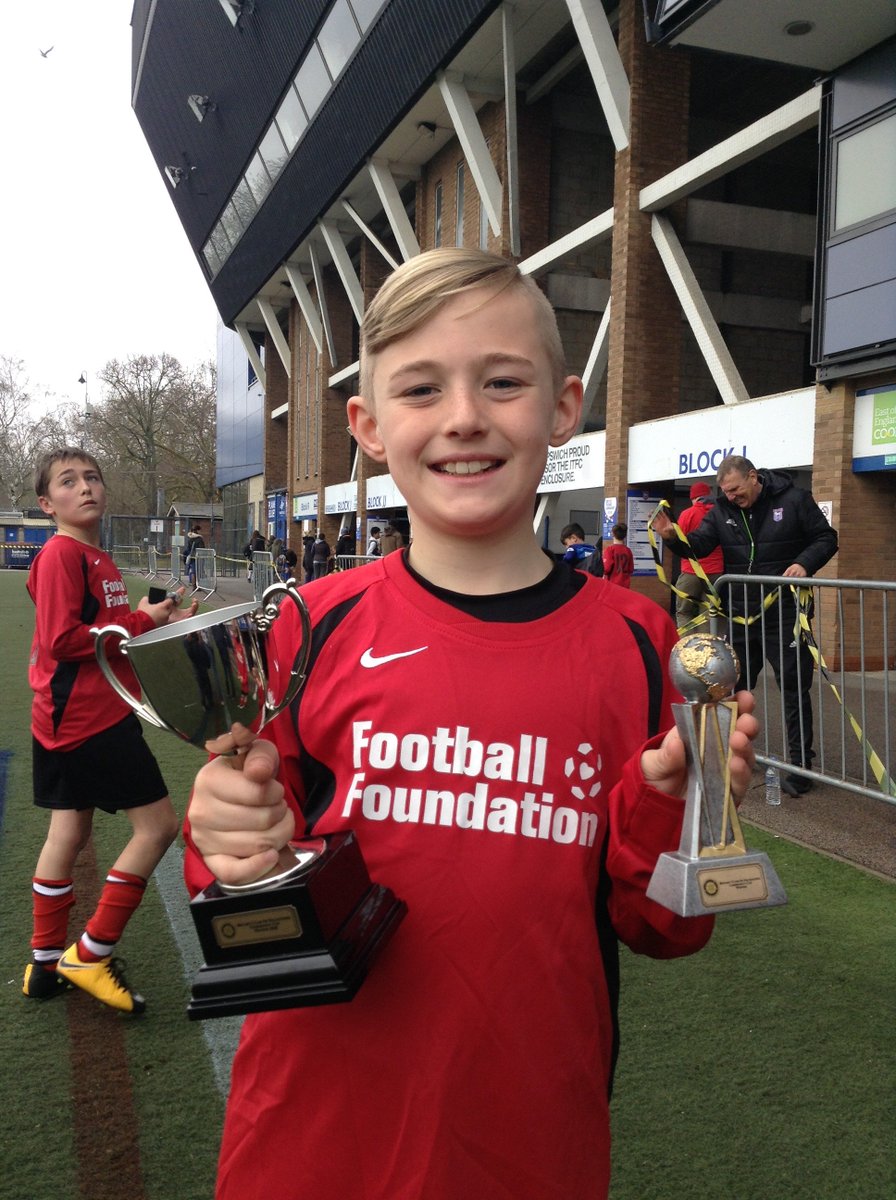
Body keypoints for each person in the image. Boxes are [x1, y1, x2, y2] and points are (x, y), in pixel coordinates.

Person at [184, 248, 757, 1200]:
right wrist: (225, 843)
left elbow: (664, 926)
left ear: (563, 409)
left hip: (529, 1145)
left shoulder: (640, 643)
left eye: (502, 382)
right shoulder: (305, 627)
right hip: (310, 1146)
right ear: (368, 427)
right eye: (421, 388)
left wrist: (674, 804)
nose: (463, 417)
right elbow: (235, 886)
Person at [23, 446, 197, 1013]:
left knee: (68, 835)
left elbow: (107, 632)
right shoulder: (62, 554)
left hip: (75, 716)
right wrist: (142, 619)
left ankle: (45, 965)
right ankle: (91, 954)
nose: (85, 487)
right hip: (88, 718)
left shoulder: (94, 556)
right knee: (158, 827)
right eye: (68, 481)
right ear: (47, 504)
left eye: (93, 477)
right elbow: (63, 640)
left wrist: (158, 621)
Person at [654, 454, 837, 795]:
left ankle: (800, 768)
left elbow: (826, 538)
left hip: (785, 613)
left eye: (736, 490)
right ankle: (730, 756)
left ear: (753, 477)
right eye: (726, 492)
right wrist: (671, 536)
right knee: (732, 688)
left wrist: (804, 563)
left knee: (794, 688)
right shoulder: (721, 510)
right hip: (741, 613)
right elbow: (699, 546)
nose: (731, 497)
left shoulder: (794, 499)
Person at [672, 483, 724, 630]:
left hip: (691, 572)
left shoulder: (688, 514)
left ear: (694, 498)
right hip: (716, 573)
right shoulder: (720, 513)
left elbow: (678, 540)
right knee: (708, 613)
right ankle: (705, 643)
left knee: (684, 611)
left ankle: (688, 643)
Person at [603, 522, 634, 586]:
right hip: (625, 585)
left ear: (612, 534)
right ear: (625, 535)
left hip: (612, 585)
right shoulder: (628, 551)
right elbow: (631, 569)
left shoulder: (610, 550)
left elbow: (606, 569)